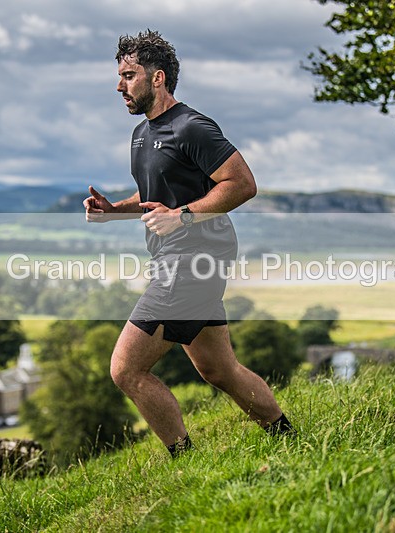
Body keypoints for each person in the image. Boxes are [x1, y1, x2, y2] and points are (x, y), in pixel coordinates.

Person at [83, 30, 294, 457]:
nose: (118, 85)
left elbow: (242, 184)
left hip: (193, 260)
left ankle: (185, 459)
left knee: (126, 368)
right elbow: (156, 198)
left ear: (157, 78)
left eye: (128, 75)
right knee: (219, 369)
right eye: (119, 76)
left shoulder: (192, 127)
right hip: (180, 260)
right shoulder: (141, 134)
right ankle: (287, 437)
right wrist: (115, 210)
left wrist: (184, 216)